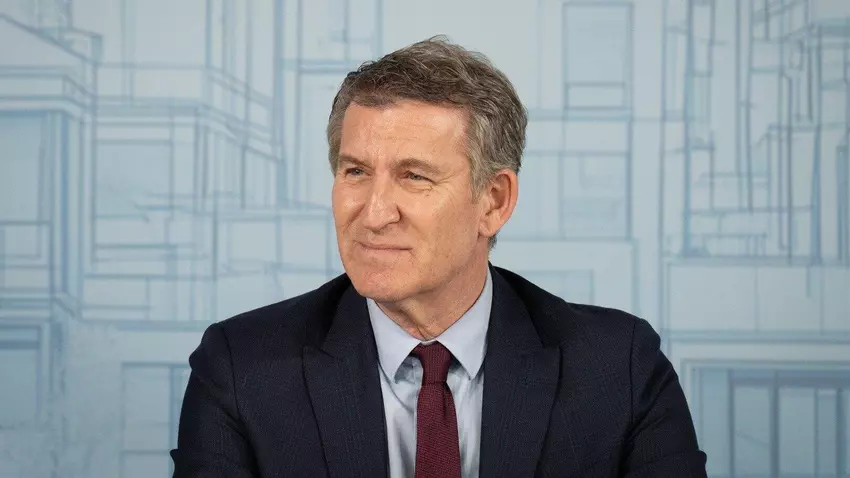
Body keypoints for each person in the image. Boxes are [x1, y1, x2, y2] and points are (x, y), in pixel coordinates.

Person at [170, 36, 707, 478]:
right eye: (355, 171)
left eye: (414, 176)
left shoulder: (618, 369)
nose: (374, 213)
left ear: (493, 201)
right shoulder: (241, 369)